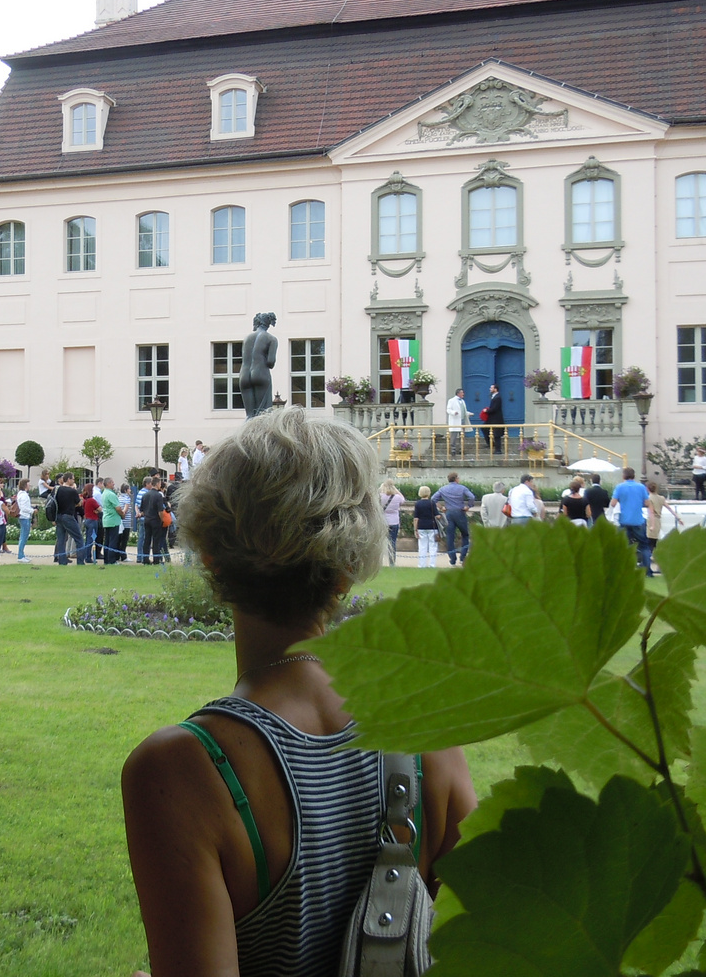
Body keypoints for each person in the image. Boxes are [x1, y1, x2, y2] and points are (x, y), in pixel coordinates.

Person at [121, 408, 476, 977]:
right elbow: (493, 939)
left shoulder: (179, 771)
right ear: (349, 566)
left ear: (209, 558)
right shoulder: (423, 723)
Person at [610, 467, 652, 574]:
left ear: (624, 476)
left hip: (624, 520)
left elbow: (613, 503)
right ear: (634, 476)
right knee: (644, 546)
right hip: (638, 520)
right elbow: (647, 503)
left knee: (623, 546)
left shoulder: (620, 487)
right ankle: (647, 571)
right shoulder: (641, 487)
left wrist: (622, 500)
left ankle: (625, 570)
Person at [437, 471, 475, 565]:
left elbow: (434, 499)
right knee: (465, 535)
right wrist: (468, 506)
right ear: (456, 479)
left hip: (449, 512)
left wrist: (441, 507)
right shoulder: (462, 488)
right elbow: (471, 497)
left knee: (450, 536)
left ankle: (452, 559)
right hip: (460, 512)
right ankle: (462, 557)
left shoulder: (443, 489)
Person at [53, 473, 85, 565]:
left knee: (61, 539)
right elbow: (79, 503)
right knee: (79, 538)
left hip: (58, 516)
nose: (74, 481)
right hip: (68, 516)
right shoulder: (72, 491)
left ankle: (62, 561)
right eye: (73, 479)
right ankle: (80, 561)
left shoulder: (57, 489)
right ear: (68, 480)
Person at [139, 477, 170, 564]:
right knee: (156, 541)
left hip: (147, 519)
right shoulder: (158, 495)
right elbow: (160, 510)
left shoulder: (145, 495)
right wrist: (162, 519)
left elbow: (142, 510)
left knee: (147, 540)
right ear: (157, 484)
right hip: (155, 520)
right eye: (160, 483)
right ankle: (156, 559)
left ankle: (145, 559)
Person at [645, 481, 673, 565]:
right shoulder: (661, 498)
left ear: (647, 489)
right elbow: (669, 508)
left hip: (652, 520)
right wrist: (678, 517)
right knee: (656, 540)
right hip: (658, 520)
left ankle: (650, 561)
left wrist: (652, 525)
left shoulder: (649, 499)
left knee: (650, 542)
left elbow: (651, 512)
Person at [379, 481, 405, 566]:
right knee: (392, 542)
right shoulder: (397, 497)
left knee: (380, 542)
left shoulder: (380, 497)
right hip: (394, 522)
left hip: (383, 522)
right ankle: (392, 562)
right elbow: (403, 500)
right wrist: (396, 490)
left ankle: (378, 561)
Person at [413, 485, 439, 568]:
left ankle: (421, 564)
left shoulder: (418, 504)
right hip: (432, 526)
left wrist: (415, 529)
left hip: (421, 526)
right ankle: (432, 564)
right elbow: (437, 515)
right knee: (433, 546)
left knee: (422, 546)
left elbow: (416, 518)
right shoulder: (432, 503)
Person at [99, 477, 122, 565]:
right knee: (113, 541)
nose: (114, 484)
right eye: (112, 482)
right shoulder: (111, 494)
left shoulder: (104, 493)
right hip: (113, 520)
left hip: (107, 519)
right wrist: (122, 514)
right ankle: (112, 560)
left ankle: (107, 559)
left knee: (107, 541)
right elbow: (118, 508)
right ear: (108, 484)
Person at [81, 485, 102, 564]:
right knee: (91, 540)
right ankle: (88, 557)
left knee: (88, 539)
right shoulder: (92, 500)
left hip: (87, 520)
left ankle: (87, 555)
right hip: (93, 520)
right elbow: (100, 509)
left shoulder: (85, 500)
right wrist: (97, 510)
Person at [15, 479, 34, 563]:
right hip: (24, 517)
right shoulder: (24, 495)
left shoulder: (21, 494)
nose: (29, 486)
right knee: (23, 537)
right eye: (28, 484)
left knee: (23, 536)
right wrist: (32, 510)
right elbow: (23, 508)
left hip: (24, 516)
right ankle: (20, 555)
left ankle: (21, 554)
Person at [445, 387, 468, 457]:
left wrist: (468, 413)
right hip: (455, 420)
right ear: (458, 393)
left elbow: (463, 410)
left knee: (462, 436)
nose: (463, 394)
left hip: (462, 420)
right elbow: (448, 409)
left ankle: (461, 449)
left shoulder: (462, 401)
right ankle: (453, 449)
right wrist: (453, 412)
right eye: (462, 393)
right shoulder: (451, 400)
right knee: (454, 436)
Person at [485, 382, 505, 453]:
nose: (490, 389)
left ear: (495, 389)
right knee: (485, 428)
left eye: (491, 388)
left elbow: (494, 408)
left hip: (496, 419)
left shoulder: (498, 397)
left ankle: (498, 449)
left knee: (497, 435)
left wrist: (487, 411)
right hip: (492, 419)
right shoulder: (494, 397)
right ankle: (490, 444)